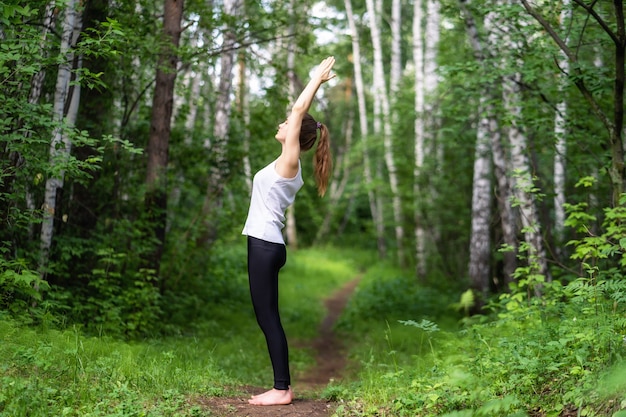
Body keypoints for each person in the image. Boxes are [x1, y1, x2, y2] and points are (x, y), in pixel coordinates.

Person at [241, 56, 336, 406]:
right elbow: (295, 114)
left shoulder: (289, 161)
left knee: (268, 317)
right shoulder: (282, 163)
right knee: (266, 316)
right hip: (267, 243)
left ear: (297, 134)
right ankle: (281, 386)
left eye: (288, 122)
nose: (284, 122)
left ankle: (282, 389)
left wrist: (316, 80)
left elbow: (298, 110)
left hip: (265, 244)